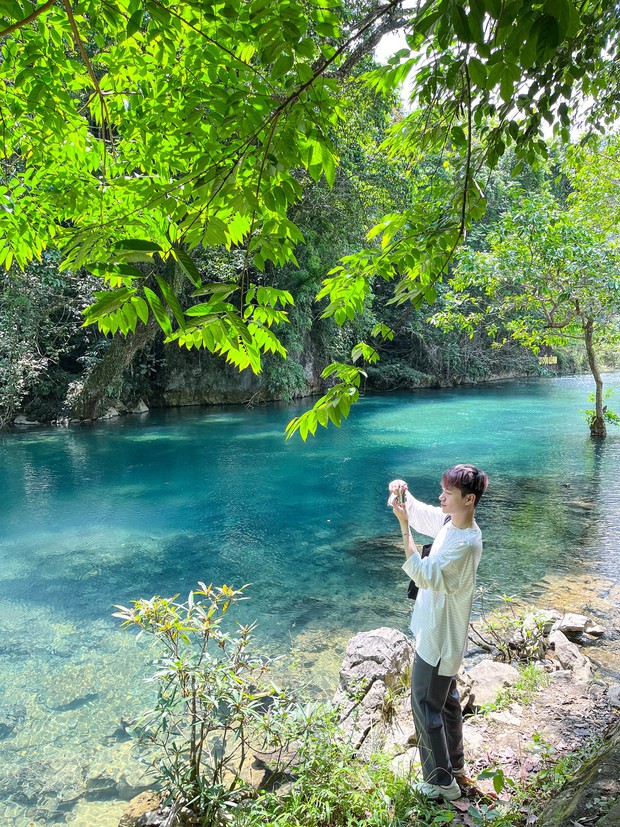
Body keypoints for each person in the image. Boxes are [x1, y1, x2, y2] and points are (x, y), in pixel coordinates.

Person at [388, 464, 489, 802]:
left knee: (424, 703)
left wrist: (403, 528)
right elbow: (426, 515)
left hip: (439, 640)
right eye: (442, 490)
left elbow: (422, 572)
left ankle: (440, 781)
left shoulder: (466, 544)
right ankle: (455, 766)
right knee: (446, 702)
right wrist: (404, 496)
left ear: (469, 499)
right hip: (442, 634)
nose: (441, 497)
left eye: (448, 493)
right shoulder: (452, 521)